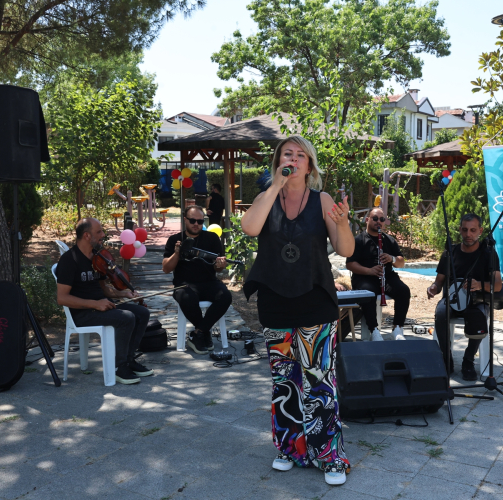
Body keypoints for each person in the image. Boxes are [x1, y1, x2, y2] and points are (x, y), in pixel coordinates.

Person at [241, 135, 355, 486]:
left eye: (300, 155)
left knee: (320, 381)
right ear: (278, 161)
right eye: (287, 153)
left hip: (314, 302)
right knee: (284, 382)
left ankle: (329, 456)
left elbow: (345, 249)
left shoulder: (322, 200)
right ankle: (291, 448)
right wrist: (275, 186)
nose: (293, 159)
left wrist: (343, 222)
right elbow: (250, 228)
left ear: (309, 165)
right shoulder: (266, 197)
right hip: (275, 302)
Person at [55, 218, 153, 385]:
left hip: (101, 306)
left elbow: (104, 289)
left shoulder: (97, 258)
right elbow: (62, 298)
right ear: (87, 235)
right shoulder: (69, 260)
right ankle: (119, 367)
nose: (103, 235)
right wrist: (95, 304)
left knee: (142, 313)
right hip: (83, 313)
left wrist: (124, 294)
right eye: (99, 232)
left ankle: (129, 360)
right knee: (127, 317)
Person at [426, 214, 501, 381]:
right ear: (460, 230)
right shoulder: (450, 252)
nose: (468, 234)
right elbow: (439, 282)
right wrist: (433, 288)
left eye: (473, 230)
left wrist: (480, 285)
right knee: (440, 313)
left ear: (480, 231)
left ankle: (468, 360)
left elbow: (497, 285)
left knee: (478, 315)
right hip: (452, 300)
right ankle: (447, 359)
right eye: (465, 230)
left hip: (477, 300)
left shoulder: (488, 253)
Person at [162, 205, 232, 354]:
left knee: (225, 296)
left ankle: (198, 333)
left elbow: (217, 268)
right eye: (192, 220)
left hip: (209, 282)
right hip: (184, 285)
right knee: (187, 298)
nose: (196, 224)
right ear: (185, 219)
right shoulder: (174, 239)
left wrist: (220, 265)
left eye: (200, 221)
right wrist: (177, 253)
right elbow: (166, 269)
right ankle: (204, 333)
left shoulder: (212, 238)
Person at [345, 208, 411, 341]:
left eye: (382, 219)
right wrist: (369, 271)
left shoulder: (389, 240)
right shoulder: (358, 240)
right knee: (368, 293)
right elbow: (350, 264)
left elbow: (401, 262)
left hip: (386, 276)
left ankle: (397, 328)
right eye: (375, 218)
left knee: (403, 291)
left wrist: (392, 259)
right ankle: (374, 330)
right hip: (364, 277)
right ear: (367, 220)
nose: (378, 221)